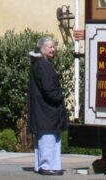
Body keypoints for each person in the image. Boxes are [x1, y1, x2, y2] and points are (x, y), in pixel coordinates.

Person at [28, 36, 68, 176]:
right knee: (48, 137)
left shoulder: (38, 64)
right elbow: (49, 89)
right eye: (50, 47)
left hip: (43, 109)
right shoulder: (43, 65)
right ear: (42, 49)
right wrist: (60, 97)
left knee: (48, 138)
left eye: (53, 47)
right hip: (46, 110)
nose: (53, 49)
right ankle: (46, 166)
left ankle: (49, 165)